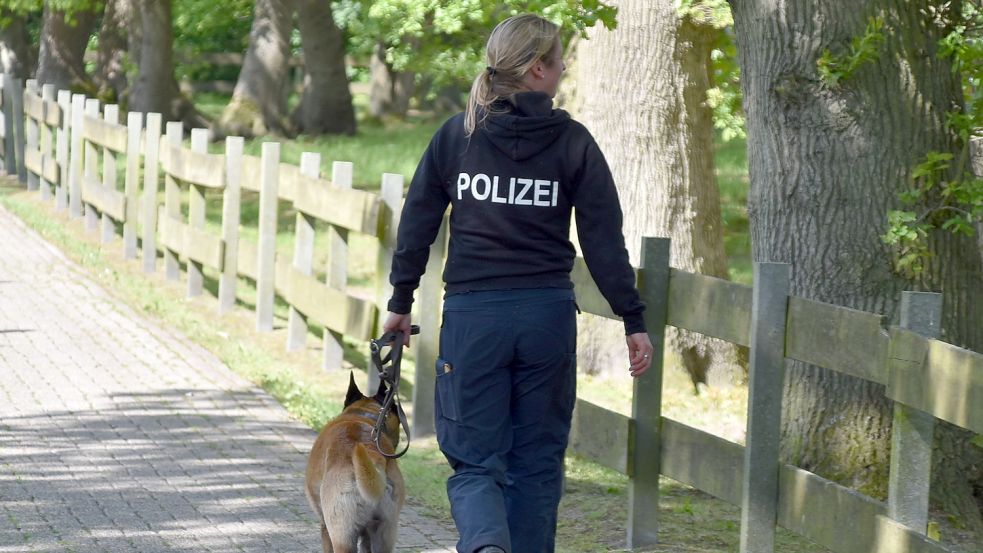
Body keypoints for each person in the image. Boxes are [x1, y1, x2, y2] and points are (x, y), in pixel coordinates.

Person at [382, 13, 654, 553]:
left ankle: (485, 545)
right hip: (545, 321)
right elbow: (604, 242)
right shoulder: (574, 143)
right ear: (536, 70)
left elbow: (417, 223)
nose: (563, 69)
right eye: (557, 61)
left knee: (475, 460)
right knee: (536, 463)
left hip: (474, 322)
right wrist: (633, 320)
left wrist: (400, 301)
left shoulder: (457, 136)